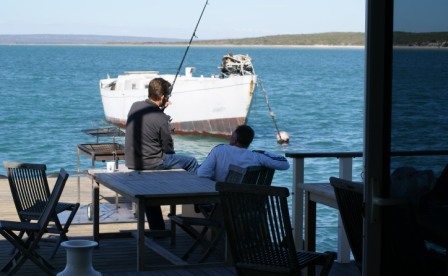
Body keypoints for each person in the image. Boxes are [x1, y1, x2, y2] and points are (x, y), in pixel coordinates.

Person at [125, 77, 198, 231]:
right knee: (191, 162)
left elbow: (149, 119)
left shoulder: (135, 106)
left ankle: (157, 229)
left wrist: (161, 110)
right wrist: (164, 119)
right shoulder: (161, 119)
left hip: (132, 161)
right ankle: (199, 202)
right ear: (164, 97)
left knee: (148, 191)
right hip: (152, 163)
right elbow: (169, 149)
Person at [196, 125, 289, 182]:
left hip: (220, 202)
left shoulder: (220, 150)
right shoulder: (256, 157)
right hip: (245, 205)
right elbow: (285, 164)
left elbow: (201, 173)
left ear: (235, 139)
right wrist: (263, 152)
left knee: (191, 164)